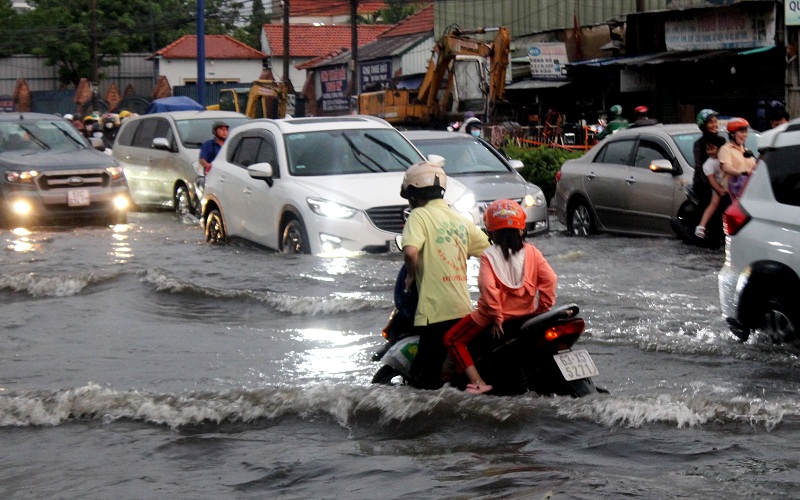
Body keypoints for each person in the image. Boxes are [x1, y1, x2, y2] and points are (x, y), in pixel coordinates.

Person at [443, 199, 557, 395]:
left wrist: (497, 317)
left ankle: (477, 381)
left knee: (452, 339)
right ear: (521, 228)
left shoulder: (489, 256)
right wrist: (542, 310)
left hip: (491, 318)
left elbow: (488, 288)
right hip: (527, 317)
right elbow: (550, 279)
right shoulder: (533, 252)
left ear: (491, 231)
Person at [400, 160, 490, 390]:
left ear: (413, 193)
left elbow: (410, 252)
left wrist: (411, 276)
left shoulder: (418, 217)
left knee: (422, 382)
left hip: (434, 311)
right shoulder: (460, 220)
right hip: (462, 308)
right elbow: (490, 251)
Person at [694, 134, 728, 239]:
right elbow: (711, 180)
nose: (709, 152)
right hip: (718, 187)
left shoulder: (726, 157)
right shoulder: (708, 164)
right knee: (713, 204)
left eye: (712, 149)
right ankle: (701, 226)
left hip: (730, 185)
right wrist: (719, 190)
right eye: (707, 149)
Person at [718, 117, 756, 201]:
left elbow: (755, 167)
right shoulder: (725, 149)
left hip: (747, 193)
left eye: (746, 132)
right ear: (732, 134)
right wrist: (740, 173)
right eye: (741, 132)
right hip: (731, 194)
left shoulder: (746, 150)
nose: (745, 135)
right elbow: (726, 167)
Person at [691, 108, 720, 208]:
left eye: (715, 121)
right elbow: (699, 167)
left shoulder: (722, 140)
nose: (714, 125)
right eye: (710, 122)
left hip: (721, 182)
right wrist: (711, 184)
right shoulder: (699, 144)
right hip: (704, 186)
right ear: (704, 126)